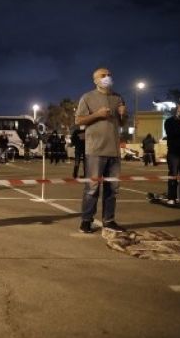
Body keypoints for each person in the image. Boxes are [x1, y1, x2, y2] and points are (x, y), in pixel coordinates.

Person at [75, 67, 127, 233]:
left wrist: (123, 114)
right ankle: (86, 221)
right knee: (92, 189)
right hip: (95, 150)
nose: (107, 78)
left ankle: (109, 220)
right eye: (103, 76)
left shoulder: (118, 97)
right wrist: (97, 115)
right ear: (95, 80)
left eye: (109, 75)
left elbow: (123, 123)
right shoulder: (88, 97)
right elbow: (79, 120)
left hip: (114, 151)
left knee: (112, 189)